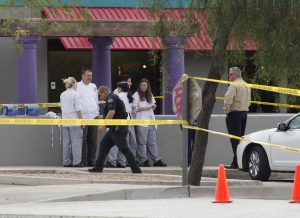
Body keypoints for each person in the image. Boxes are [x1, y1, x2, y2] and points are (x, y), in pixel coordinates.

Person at [88, 86, 142, 173]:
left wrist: (103, 125)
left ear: (105, 92)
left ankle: (136, 169)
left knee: (124, 148)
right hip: (114, 128)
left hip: (118, 128)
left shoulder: (111, 98)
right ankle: (98, 167)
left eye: (100, 95)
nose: (100, 97)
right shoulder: (112, 97)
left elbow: (111, 112)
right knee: (104, 145)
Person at [132, 78, 167, 167]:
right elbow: (134, 108)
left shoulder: (150, 94)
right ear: (139, 86)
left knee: (152, 142)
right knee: (142, 142)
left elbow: (152, 105)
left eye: (145, 85)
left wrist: (153, 106)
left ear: (147, 86)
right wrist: (147, 108)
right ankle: (143, 160)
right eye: (142, 85)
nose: (143, 87)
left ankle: (156, 160)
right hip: (141, 121)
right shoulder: (136, 95)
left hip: (151, 120)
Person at [224, 67, 251, 169]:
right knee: (240, 139)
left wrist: (227, 111)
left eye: (230, 74)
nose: (228, 76)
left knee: (235, 140)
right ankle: (236, 161)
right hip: (244, 114)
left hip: (234, 114)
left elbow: (228, 100)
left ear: (235, 75)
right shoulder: (246, 85)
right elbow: (249, 100)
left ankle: (238, 162)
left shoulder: (234, 85)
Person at [106, 74, 135, 168]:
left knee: (114, 142)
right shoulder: (129, 95)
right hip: (127, 121)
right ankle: (121, 162)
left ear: (120, 88)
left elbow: (112, 109)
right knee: (124, 142)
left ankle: (112, 161)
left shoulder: (117, 95)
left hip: (117, 121)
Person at [77, 69, 99, 167]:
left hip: (94, 116)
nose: (89, 77)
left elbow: (96, 100)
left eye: (91, 76)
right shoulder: (76, 86)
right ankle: (82, 161)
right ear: (82, 76)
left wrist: (97, 112)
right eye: (87, 75)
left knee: (93, 140)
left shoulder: (93, 86)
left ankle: (92, 160)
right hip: (83, 117)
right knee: (83, 141)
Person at [60, 77, 83, 167]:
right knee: (76, 142)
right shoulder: (76, 94)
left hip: (65, 121)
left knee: (66, 143)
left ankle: (66, 161)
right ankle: (76, 162)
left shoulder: (62, 94)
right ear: (73, 84)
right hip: (74, 121)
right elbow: (78, 109)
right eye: (76, 84)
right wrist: (81, 121)